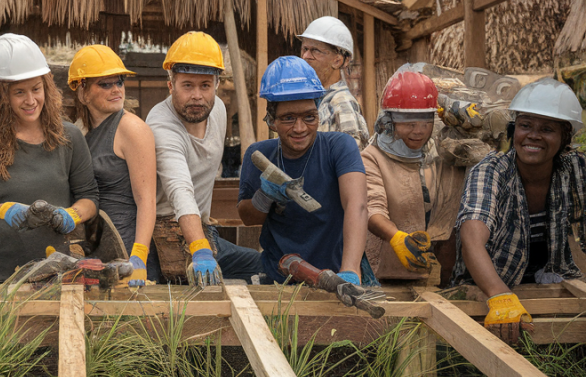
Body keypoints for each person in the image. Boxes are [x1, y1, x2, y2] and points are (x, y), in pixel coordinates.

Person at [452, 78, 586, 345]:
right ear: (515, 129)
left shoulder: (577, 169)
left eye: (547, 129)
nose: (533, 135)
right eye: (525, 126)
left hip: (551, 286)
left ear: (564, 137)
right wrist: (499, 296)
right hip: (486, 289)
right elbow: (471, 239)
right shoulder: (491, 171)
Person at [0, 34, 98, 283]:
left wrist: (73, 214)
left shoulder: (70, 137)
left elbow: (89, 197)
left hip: (56, 274)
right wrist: (2, 210)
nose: (31, 100)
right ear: (2, 97)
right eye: (19, 92)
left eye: (36, 89)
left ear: (47, 87)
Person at [237, 55, 368, 285]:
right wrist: (264, 196)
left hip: (337, 273)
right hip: (278, 278)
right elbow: (247, 218)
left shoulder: (339, 147)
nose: (300, 128)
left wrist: (350, 270)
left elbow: (356, 206)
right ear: (271, 120)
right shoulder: (259, 155)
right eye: (288, 118)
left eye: (309, 117)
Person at [147, 31, 262, 286]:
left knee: (262, 267)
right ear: (171, 85)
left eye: (205, 86)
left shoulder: (217, 109)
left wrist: (203, 241)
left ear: (217, 85)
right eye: (187, 85)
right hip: (160, 235)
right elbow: (180, 188)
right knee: (167, 305)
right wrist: (200, 248)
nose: (197, 96)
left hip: (202, 231)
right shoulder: (161, 124)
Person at [68, 44, 156, 287]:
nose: (116, 89)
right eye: (105, 84)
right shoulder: (83, 132)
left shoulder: (131, 128)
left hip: (127, 253)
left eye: (119, 82)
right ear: (82, 92)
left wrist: (139, 257)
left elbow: (146, 199)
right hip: (97, 254)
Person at [363, 69, 460, 284]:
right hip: (385, 277)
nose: (419, 131)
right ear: (389, 122)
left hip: (433, 278)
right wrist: (396, 238)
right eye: (409, 124)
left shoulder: (440, 154)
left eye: (425, 123)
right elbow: (371, 209)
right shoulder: (372, 158)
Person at [297, 16, 369, 148]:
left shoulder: (341, 103)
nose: (305, 56)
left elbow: (352, 160)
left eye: (315, 50)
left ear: (338, 61)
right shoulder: (318, 99)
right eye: (304, 49)